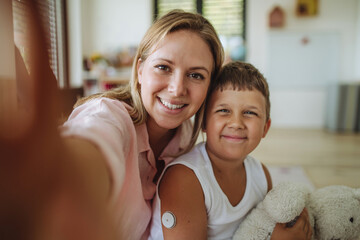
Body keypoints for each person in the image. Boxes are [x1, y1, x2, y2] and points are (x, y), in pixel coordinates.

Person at [0, 5, 224, 240]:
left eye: (196, 75)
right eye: (163, 67)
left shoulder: (186, 135)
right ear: (139, 70)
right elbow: (91, 145)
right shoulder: (109, 116)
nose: (177, 89)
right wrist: (57, 174)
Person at [149, 61, 312, 240]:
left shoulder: (261, 174)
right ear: (203, 122)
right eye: (224, 110)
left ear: (265, 127)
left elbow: (261, 228)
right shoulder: (184, 179)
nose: (236, 123)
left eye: (250, 113)